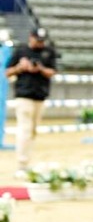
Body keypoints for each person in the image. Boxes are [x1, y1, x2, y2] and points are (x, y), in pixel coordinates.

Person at [4, 27, 57, 174]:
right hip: (23, 95)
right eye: (37, 40)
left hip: (40, 96)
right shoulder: (21, 51)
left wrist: (40, 68)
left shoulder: (49, 52)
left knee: (32, 131)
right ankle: (22, 163)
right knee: (24, 129)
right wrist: (20, 68)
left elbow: (53, 71)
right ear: (30, 37)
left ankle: (26, 160)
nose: (39, 43)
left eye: (42, 41)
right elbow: (7, 72)